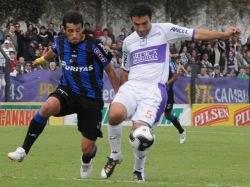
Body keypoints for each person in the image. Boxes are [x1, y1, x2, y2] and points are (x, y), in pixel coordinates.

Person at [100, 3, 241, 182]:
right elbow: (126, 70)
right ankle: (115, 155)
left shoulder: (164, 30)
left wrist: (224, 34)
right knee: (114, 115)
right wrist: (122, 91)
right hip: (132, 86)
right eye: (137, 25)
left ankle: (138, 170)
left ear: (151, 19)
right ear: (132, 23)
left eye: (145, 23)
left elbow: (196, 34)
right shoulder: (128, 42)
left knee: (141, 134)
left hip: (153, 91)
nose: (141, 28)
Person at [8, 11, 120, 179]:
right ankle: (23, 150)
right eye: (70, 31)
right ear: (63, 29)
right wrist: (40, 61)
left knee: (87, 148)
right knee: (47, 107)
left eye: (77, 30)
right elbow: (51, 53)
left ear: (83, 28)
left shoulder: (94, 46)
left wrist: (119, 97)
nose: (74, 35)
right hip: (68, 91)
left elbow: (110, 70)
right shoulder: (60, 42)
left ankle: (87, 159)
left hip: (91, 99)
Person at [165, 59, 186, 144]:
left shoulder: (167, 67)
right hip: (157, 93)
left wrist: (167, 83)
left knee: (167, 115)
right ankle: (149, 133)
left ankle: (182, 131)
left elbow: (175, 76)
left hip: (168, 92)